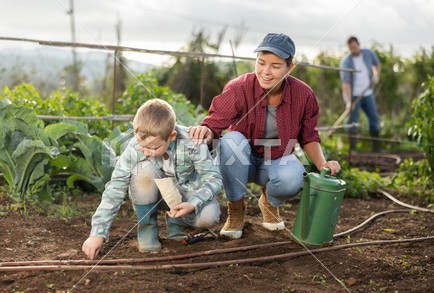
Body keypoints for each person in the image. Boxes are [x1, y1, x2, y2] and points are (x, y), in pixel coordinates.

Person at [187, 33, 341, 239]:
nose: (266, 72)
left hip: (275, 161)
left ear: (290, 67)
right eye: (261, 63)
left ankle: (269, 203)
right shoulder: (238, 88)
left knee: (293, 177)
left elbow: (309, 136)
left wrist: (322, 164)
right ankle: (236, 208)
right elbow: (214, 123)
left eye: (276, 66)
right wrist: (205, 130)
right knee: (231, 140)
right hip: (240, 164)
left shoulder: (303, 95)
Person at [82, 98, 222, 258]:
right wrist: (97, 233)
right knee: (143, 171)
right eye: (143, 146)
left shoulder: (192, 143)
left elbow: (214, 179)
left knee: (208, 217)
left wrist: (193, 204)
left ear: (172, 136)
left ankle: (175, 223)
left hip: (185, 194)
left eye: (154, 147)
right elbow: (115, 187)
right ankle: (147, 229)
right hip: (153, 194)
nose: (147, 152)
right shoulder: (134, 148)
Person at [340, 36, 381, 152]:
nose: (353, 50)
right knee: (352, 121)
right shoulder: (346, 62)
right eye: (350, 48)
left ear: (359, 44)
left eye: (354, 47)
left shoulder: (368, 54)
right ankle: (353, 149)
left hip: (367, 93)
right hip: (353, 95)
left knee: (374, 118)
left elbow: (377, 64)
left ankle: (376, 148)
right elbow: (346, 84)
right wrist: (348, 102)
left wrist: (375, 75)